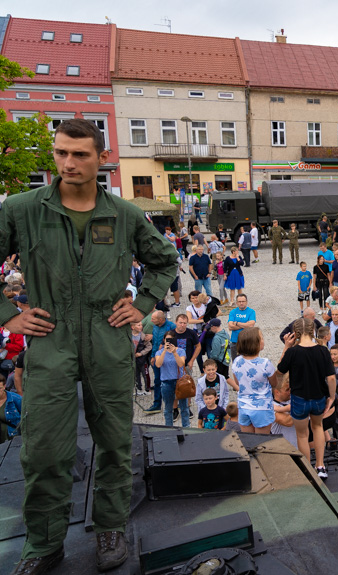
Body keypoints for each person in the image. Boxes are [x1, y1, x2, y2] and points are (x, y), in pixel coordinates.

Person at [0, 118, 180, 573]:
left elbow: (164, 261)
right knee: (43, 448)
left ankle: (110, 528)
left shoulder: (125, 214)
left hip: (107, 336)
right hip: (49, 336)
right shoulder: (21, 209)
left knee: (115, 444)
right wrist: (8, 315)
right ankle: (43, 544)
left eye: (80, 154)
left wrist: (140, 304)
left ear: (102, 159)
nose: (68, 163)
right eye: (61, 152)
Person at [277, 317, 337, 478]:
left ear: (295, 333)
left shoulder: (293, 352)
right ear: (313, 331)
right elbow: (331, 378)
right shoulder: (323, 350)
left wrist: (286, 346)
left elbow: (280, 371)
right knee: (318, 428)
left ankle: (308, 469)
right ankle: (320, 466)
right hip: (318, 397)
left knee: (302, 435)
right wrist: (331, 397)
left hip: (299, 399)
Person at [156, 332, 189, 427]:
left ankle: (186, 427)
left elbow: (181, 364)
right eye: (167, 340)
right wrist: (164, 351)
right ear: (164, 340)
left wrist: (174, 352)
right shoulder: (159, 352)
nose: (169, 342)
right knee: (168, 409)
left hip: (180, 382)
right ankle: (169, 428)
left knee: (184, 407)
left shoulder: (181, 351)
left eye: (171, 339)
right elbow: (158, 364)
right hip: (166, 383)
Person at [228, 295, 256, 360]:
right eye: (239, 301)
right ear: (237, 302)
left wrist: (237, 323)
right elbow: (230, 326)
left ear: (246, 302)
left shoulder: (251, 312)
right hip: (235, 341)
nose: (241, 303)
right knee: (236, 363)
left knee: (248, 363)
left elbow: (251, 325)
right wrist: (245, 325)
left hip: (248, 341)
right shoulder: (233, 312)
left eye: (243, 301)